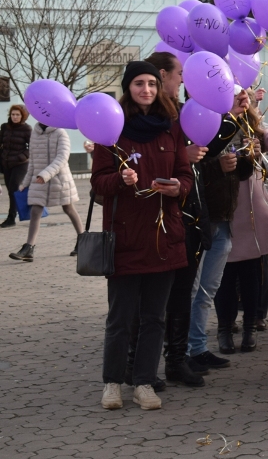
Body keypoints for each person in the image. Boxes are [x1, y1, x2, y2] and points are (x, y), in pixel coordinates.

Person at [92, 60, 194, 410]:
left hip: (163, 236)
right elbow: (98, 183)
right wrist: (119, 180)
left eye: (152, 83)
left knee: (154, 317)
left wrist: (178, 187)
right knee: (120, 318)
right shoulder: (112, 127)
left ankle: (144, 383)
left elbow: (185, 173)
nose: (147, 90)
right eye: (139, 83)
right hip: (125, 237)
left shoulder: (171, 127)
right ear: (128, 87)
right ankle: (112, 383)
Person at [215, 88, 268, 353]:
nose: (242, 100)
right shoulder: (215, 124)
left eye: (243, 96)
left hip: (254, 212)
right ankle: (224, 329)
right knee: (225, 276)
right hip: (227, 211)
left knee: (251, 277)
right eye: (236, 96)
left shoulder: (252, 124)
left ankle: (249, 327)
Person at [187, 87, 250, 374]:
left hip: (224, 218)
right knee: (191, 288)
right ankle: (184, 349)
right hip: (201, 218)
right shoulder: (194, 117)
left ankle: (198, 347)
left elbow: (243, 172)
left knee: (207, 289)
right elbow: (194, 166)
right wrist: (219, 167)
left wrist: (248, 156)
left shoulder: (233, 124)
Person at [9, 110, 83, 262]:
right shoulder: (35, 133)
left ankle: (83, 241)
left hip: (59, 179)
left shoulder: (61, 133)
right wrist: (26, 182)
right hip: (39, 179)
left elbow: (62, 158)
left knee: (68, 208)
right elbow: (33, 161)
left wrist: (46, 174)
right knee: (36, 210)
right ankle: (29, 247)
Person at [0, 104, 32, 228]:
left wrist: (21, 157)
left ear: (22, 116)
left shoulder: (27, 129)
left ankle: (11, 217)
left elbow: (31, 147)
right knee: (10, 190)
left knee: (13, 188)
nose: (15, 117)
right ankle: (16, 213)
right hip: (6, 162)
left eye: (17, 115)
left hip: (20, 164)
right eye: (13, 114)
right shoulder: (5, 127)